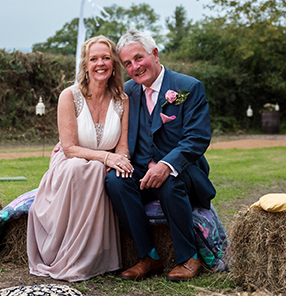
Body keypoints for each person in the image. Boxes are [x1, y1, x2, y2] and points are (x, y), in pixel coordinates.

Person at [105, 29, 216, 282]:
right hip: (141, 170)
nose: (135, 67)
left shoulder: (188, 87)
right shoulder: (127, 93)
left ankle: (189, 257)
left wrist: (167, 165)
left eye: (138, 58)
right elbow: (107, 125)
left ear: (154, 54)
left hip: (183, 172)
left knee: (169, 181)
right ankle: (148, 256)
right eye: (128, 63)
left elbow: (197, 138)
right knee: (115, 181)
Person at [26, 36, 134, 281]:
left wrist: (120, 162)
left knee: (104, 173)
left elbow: (123, 147)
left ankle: (91, 256)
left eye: (106, 58)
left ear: (114, 63)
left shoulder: (122, 100)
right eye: (93, 58)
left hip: (101, 165)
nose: (100, 63)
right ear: (85, 65)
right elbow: (69, 148)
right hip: (70, 163)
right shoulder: (69, 96)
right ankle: (66, 254)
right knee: (79, 167)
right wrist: (106, 159)